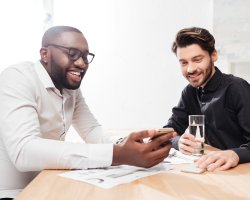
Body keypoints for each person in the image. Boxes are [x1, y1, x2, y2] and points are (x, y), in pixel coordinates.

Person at [0, 26, 176, 199]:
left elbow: (91, 130)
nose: (81, 63)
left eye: (85, 56)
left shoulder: (70, 89)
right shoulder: (17, 78)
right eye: (72, 53)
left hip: (50, 182)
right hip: (15, 193)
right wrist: (118, 154)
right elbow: (24, 151)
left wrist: (130, 145)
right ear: (44, 54)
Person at [163, 27, 250, 172]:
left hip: (241, 173)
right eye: (184, 62)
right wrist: (179, 142)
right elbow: (168, 132)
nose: (190, 69)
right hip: (209, 170)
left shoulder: (237, 88)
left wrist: (235, 154)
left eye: (197, 60)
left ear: (214, 55)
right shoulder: (189, 92)